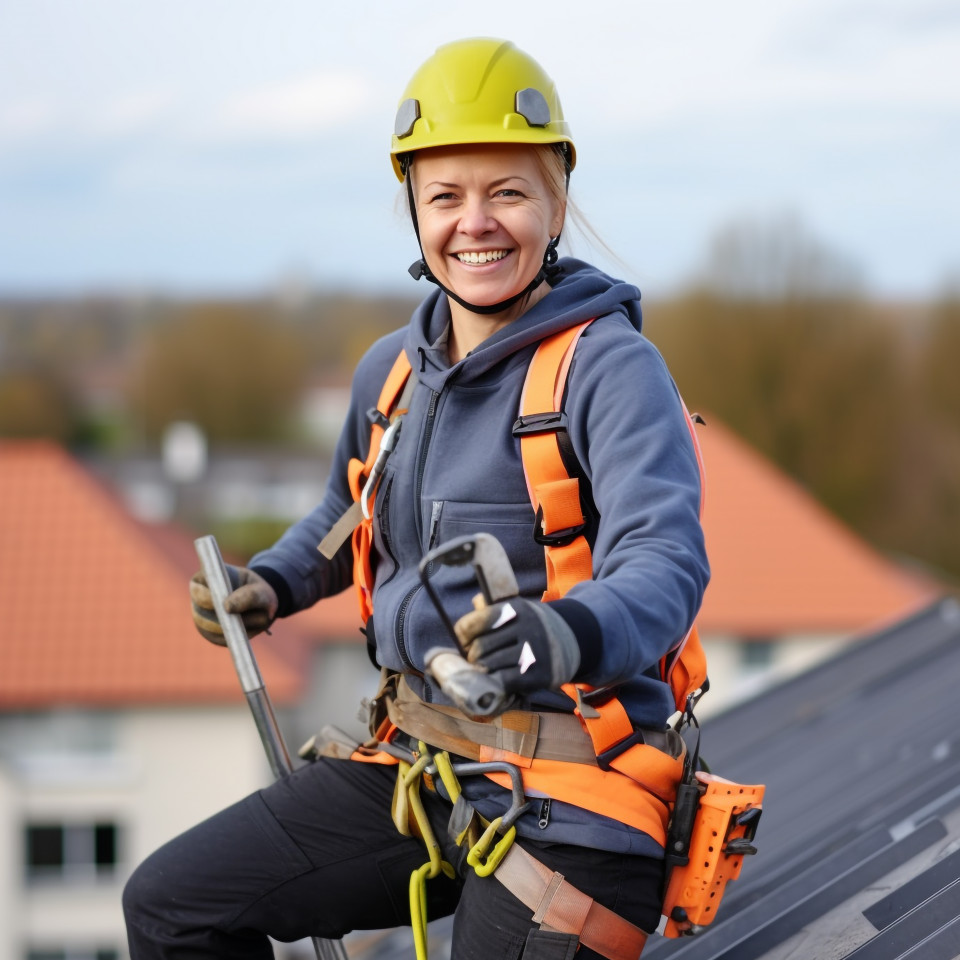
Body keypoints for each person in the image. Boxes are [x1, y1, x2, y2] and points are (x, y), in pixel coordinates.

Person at [123, 37, 709, 960]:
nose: (476, 223)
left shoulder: (609, 369)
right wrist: (270, 585)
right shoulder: (392, 372)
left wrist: (559, 633)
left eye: (508, 191)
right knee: (171, 907)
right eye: (445, 196)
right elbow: (345, 515)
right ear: (413, 209)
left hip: (577, 793)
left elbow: (666, 565)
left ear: (557, 199)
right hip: (422, 768)